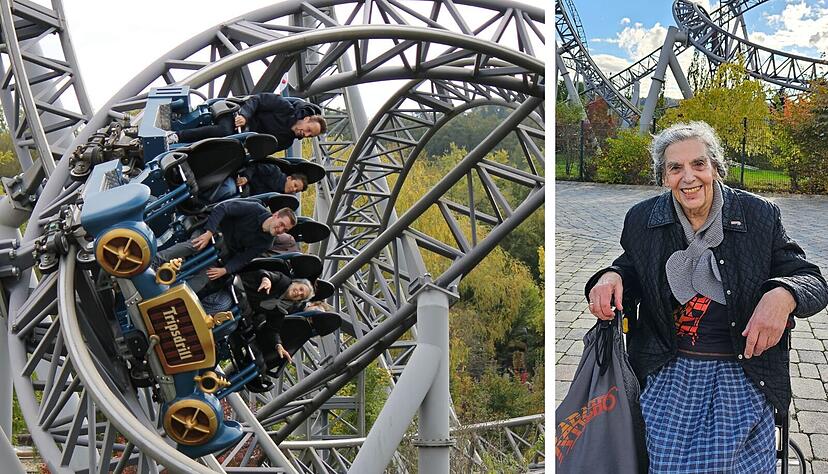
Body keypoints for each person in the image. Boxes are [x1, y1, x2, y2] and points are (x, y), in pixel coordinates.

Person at [585, 121, 828, 472]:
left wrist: (784, 293)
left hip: (742, 367)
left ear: (715, 167)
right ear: (664, 177)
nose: (688, 178)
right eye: (675, 168)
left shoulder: (759, 215)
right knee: (668, 463)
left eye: (699, 164)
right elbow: (631, 269)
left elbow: (811, 279)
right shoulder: (642, 220)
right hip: (668, 367)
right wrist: (610, 276)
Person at [156, 201, 296, 292]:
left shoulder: (267, 242)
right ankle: (156, 259)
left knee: (207, 276)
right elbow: (223, 208)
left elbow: (244, 258)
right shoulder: (255, 209)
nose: (280, 230)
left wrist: (225, 270)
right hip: (213, 231)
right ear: (276, 215)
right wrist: (208, 232)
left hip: (223, 251)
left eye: (285, 230)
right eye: (281, 224)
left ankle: (171, 294)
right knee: (195, 244)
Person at [169, 94, 326, 150]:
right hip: (237, 116)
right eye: (308, 130)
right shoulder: (285, 107)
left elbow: (263, 150)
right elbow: (257, 100)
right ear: (306, 119)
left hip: (244, 138)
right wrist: (245, 115)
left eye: (309, 135)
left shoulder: (286, 142)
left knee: (228, 152)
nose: (305, 134)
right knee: (224, 133)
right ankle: (177, 136)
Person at [236, 161, 308, 195]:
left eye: (296, 191)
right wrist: (246, 178)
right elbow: (254, 167)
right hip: (240, 183)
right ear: (289, 178)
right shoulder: (274, 170)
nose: (294, 189)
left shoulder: (280, 198)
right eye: (295, 185)